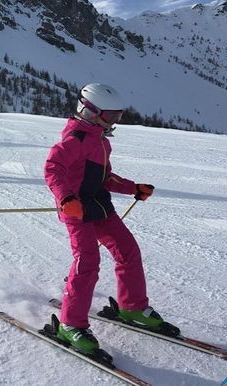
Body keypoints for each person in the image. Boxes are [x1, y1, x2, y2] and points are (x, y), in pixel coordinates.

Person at [43, 82, 176, 355]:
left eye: (118, 116)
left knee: (128, 249)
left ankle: (133, 307)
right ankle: (70, 324)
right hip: (76, 209)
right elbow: (53, 168)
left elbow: (104, 177)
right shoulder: (76, 138)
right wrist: (67, 199)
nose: (115, 121)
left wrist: (133, 188)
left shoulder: (101, 140)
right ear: (90, 112)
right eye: (110, 116)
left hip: (99, 207)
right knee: (88, 260)